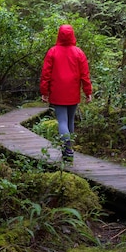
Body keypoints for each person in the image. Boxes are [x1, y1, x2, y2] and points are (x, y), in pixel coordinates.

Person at [40, 24, 93, 162]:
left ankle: (67, 149)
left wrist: (44, 92)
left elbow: (46, 74)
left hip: (57, 92)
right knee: (70, 120)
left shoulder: (52, 52)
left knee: (62, 121)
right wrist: (88, 92)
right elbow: (85, 75)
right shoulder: (78, 53)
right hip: (73, 92)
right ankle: (69, 148)